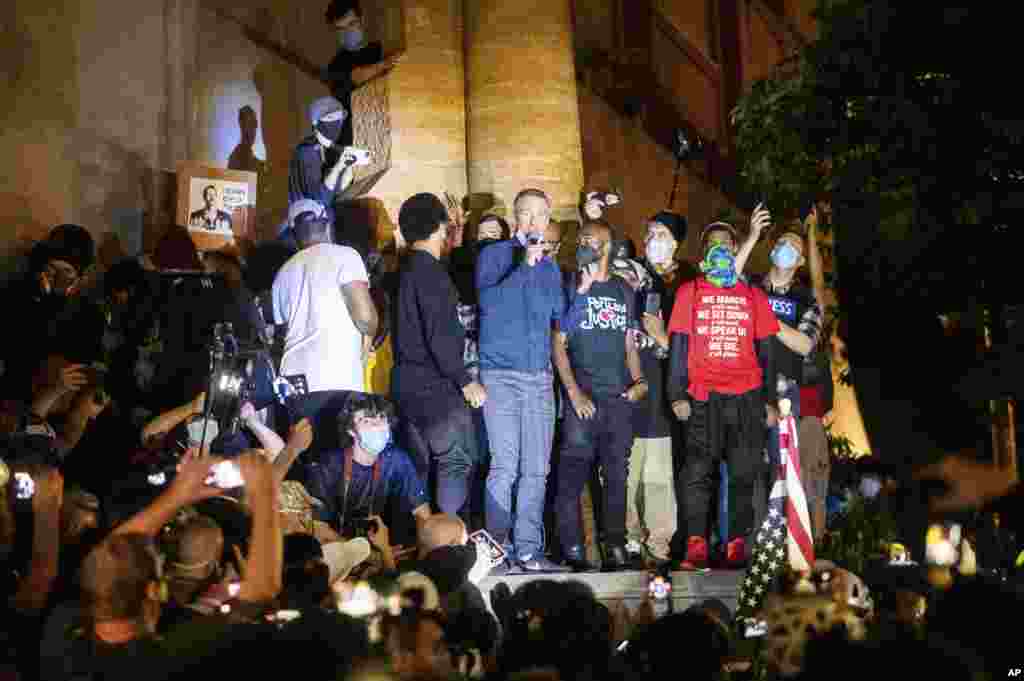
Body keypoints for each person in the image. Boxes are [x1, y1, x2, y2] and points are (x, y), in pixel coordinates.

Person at [667, 221, 779, 570]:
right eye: (711, 244)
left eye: (725, 244)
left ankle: (735, 545)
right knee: (697, 471)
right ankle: (697, 545)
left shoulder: (754, 295)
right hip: (703, 395)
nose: (719, 249)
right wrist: (676, 393)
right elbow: (679, 345)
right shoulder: (690, 292)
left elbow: (767, 351)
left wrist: (770, 401)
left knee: (744, 472)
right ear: (704, 255)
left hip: (746, 396)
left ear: (735, 250)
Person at [476, 189, 568, 574]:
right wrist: (525, 266)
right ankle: (497, 552)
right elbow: (490, 305)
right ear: (516, 219)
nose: (534, 222)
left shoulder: (550, 267)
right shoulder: (494, 255)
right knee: (505, 466)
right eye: (527, 215)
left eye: (541, 216)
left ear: (547, 222)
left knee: (537, 469)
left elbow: (557, 314)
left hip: (539, 377)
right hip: (501, 375)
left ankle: (529, 550)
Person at [552, 219, 647, 572]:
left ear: (606, 245)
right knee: (572, 473)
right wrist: (574, 394)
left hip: (618, 398)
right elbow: (558, 343)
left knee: (616, 475)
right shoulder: (568, 284)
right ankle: (573, 547)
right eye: (580, 240)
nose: (583, 244)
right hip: (584, 397)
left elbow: (629, 341)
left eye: (589, 239)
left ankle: (616, 546)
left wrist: (639, 380)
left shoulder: (624, 289)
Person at [392, 193, 487, 516]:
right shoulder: (432, 274)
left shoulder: (404, 270)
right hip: (435, 386)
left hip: (405, 383)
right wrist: (465, 381)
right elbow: (440, 335)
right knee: (456, 459)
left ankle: (426, 544)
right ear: (439, 227)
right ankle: (449, 544)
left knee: (420, 468)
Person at [272, 199, 378, 451]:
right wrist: (369, 336)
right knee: (339, 464)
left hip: (294, 384)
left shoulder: (283, 272)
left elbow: (280, 334)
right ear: (327, 224)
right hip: (336, 379)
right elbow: (364, 316)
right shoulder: (346, 256)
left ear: (294, 234)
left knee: (307, 463)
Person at [304, 393, 430, 552]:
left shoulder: (397, 459)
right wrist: (368, 556)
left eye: (381, 418)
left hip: (388, 549)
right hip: (338, 549)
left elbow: (422, 512)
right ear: (350, 430)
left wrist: (424, 555)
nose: (377, 426)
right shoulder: (329, 465)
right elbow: (318, 528)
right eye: (366, 421)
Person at [324, 0, 404, 149]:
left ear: (361, 20)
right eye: (341, 29)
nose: (347, 32)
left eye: (351, 24)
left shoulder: (378, 49)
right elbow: (357, 77)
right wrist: (385, 64)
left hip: (386, 128)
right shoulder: (336, 66)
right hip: (355, 138)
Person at [284, 97, 359, 241]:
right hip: (309, 231)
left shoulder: (327, 148)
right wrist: (339, 166)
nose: (336, 122)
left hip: (322, 228)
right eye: (330, 117)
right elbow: (320, 198)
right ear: (316, 122)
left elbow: (337, 189)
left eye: (339, 117)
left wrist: (350, 165)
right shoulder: (307, 151)